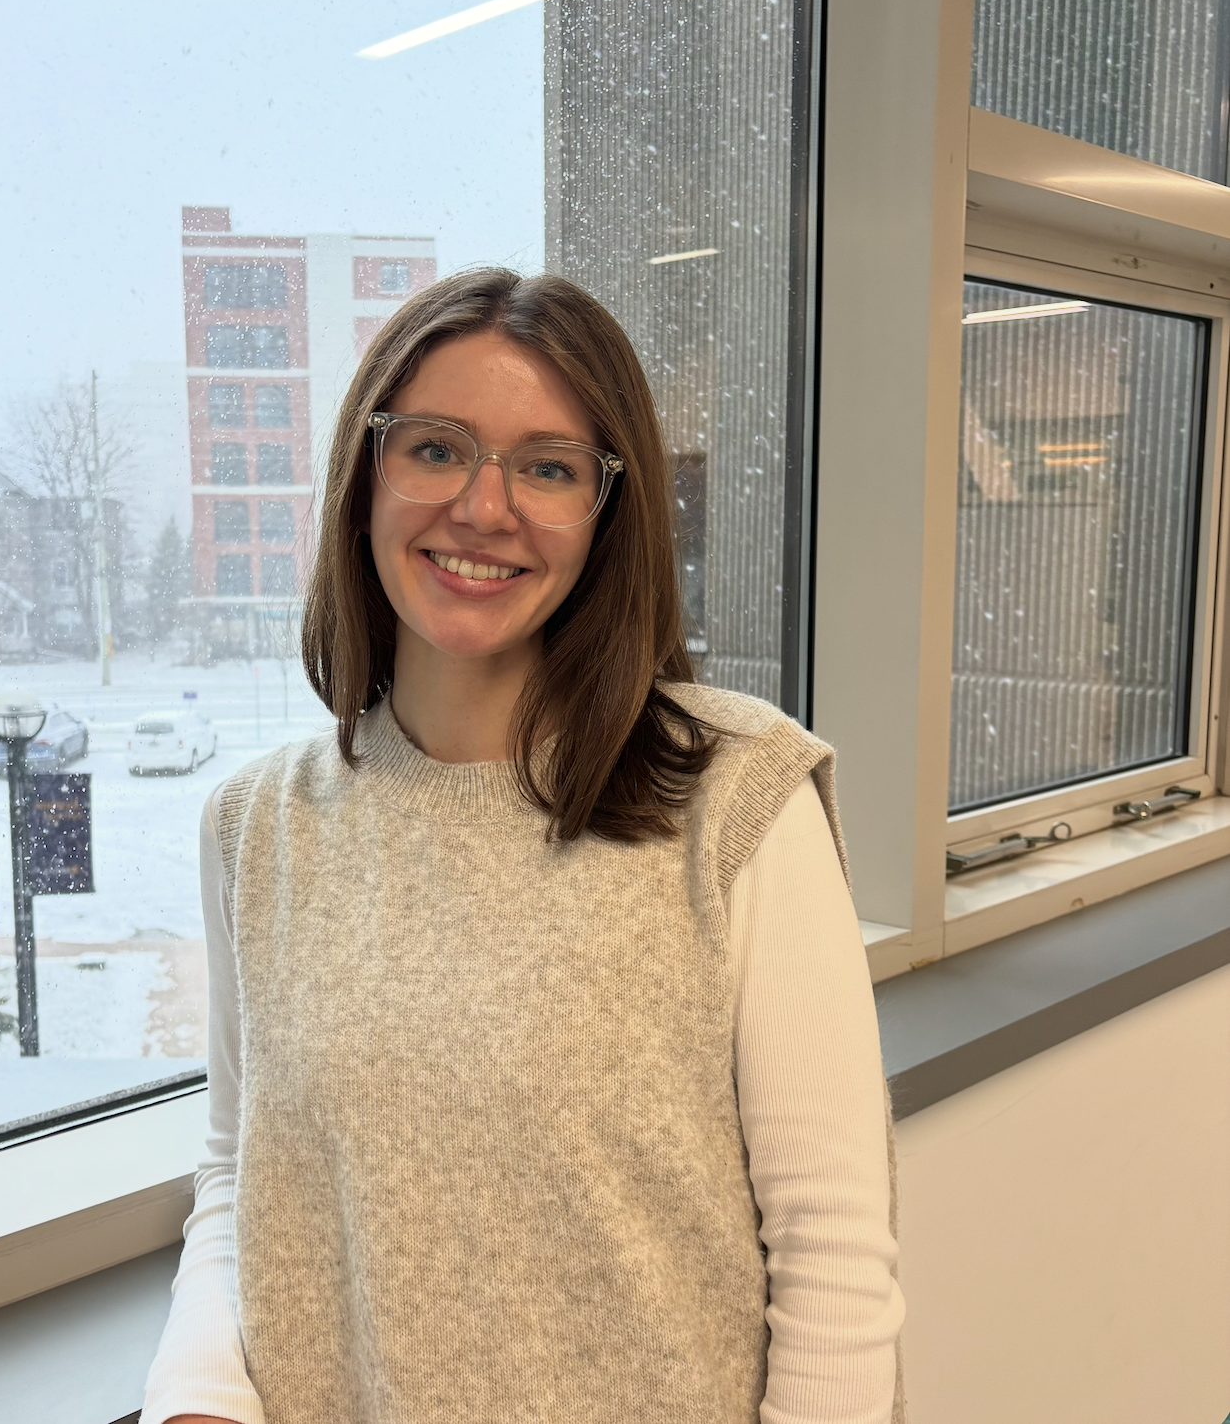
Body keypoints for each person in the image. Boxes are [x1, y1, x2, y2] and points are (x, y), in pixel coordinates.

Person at [140, 269, 904, 1424]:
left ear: (607, 514)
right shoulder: (257, 828)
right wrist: (195, 1394)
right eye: (435, 448)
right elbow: (240, 1172)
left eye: (547, 467)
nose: (483, 508)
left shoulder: (736, 799)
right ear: (364, 475)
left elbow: (833, 1256)